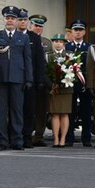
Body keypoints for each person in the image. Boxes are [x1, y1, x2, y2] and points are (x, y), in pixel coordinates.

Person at [0, 6, 33, 150]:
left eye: (12, 18)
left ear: (16, 21)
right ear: (4, 19)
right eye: (7, 18)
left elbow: (27, 59)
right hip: (1, 79)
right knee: (1, 112)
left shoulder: (24, 37)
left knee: (17, 112)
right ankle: (2, 141)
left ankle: (17, 141)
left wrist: (29, 79)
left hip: (18, 78)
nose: (10, 21)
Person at [16, 9, 46, 149]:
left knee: (29, 111)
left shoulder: (34, 37)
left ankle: (27, 138)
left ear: (27, 22)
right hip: (15, 79)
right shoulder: (11, 35)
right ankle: (15, 137)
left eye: (24, 20)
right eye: (20, 20)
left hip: (31, 81)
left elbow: (39, 60)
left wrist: (39, 80)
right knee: (15, 110)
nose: (22, 22)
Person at [65, 20, 92, 147]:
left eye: (80, 30)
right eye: (75, 30)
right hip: (70, 83)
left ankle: (86, 138)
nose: (78, 32)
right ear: (71, 32)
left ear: (84, 32)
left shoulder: (89, 47)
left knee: (86, 112)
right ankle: (69, 137)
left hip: (85, 83)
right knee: (70, 112)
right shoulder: (67, 47)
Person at [46, 34, 73, 148]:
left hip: (66, 88)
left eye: (60, 42)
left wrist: (65, 80)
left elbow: (74, 70)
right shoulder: (48, 56)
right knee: (55, 113)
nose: (58, 44)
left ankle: (63, 139)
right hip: (54, 88)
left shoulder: (70, 55)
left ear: (64, 43)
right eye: (56, 41)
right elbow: (45, 71)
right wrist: (52, 84)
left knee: (64, 113)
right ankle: (56, 139)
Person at [30, 14, 53, 146]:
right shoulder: (26, 38)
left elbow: (49, 63)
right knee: (28, 110)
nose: (38, 28)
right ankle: (26, 135)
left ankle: (39, 136)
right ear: (30, 25)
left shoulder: (47, 43)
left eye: (40, 26)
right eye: (36, 25)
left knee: (41, 111)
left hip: (44, 82)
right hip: (30, 80)